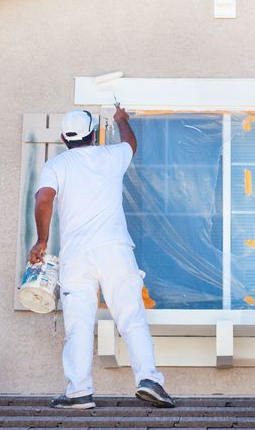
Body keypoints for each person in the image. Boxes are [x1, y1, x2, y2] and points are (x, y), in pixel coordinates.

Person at [28, 106, 174, 409]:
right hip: (115, 251)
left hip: (76, 258)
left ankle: (79, 392)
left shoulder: (56, 166)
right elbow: (130, 144)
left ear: (62, 139)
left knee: (78, 324)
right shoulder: (111, 156)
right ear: (93, 135)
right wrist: (122, 120)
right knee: (131, 316)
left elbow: (44, 198)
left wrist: (41, 240)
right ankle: (149, 380)